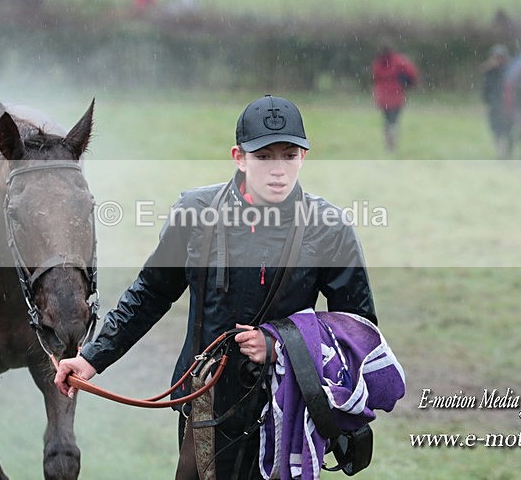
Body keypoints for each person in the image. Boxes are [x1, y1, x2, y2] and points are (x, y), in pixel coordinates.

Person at [54, 95, 379, 479]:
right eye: (264, 156)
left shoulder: (331, 229)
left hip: (286, 410)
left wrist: (280, 345)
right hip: (204, 405)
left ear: (303, 157)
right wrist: (92, 358)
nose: (278, 170)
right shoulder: (194, 214)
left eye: (289, 155)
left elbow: (356, 332)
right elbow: (150, 293)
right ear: (239, 157)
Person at [371, 40, 419, 152]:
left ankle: (388, 144)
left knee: (386, 120)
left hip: (383, 97)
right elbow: (412, 73)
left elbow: (375, 78)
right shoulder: (399, 61)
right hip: (397, 95)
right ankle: (392, 145)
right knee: (394, 120)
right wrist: (409, 83)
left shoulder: (378, 63)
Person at [481, 43, 511, 157]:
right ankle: (500, 151)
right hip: (495, 105)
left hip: (506, 106)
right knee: (496, 130)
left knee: (506, 130)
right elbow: (486, 89)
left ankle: (506, 151)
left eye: (500, 57)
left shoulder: (508, 71)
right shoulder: (490, 71)